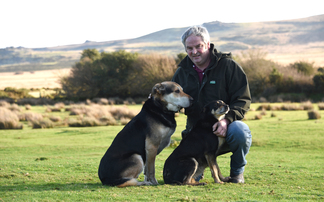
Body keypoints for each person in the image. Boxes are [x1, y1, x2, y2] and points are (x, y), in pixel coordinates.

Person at [172, 25, 252, 183]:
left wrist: (226, 120)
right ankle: (198, 170)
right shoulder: (182, 72)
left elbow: (242, 100)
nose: (194, 52)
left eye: (198, 46)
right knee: (185, 178)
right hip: (196, 138)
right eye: (189, 48)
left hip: (225, 132)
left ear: (208, 44)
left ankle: (236, 174)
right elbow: (172, 103)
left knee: (240, 131)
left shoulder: (228, 66)